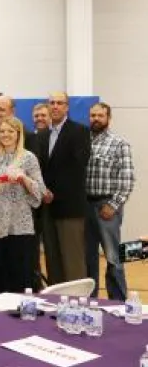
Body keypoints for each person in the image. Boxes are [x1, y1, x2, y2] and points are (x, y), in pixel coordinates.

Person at [0, 117, 44, 293]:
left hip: (19, 225)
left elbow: (40, 191)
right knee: (0, 274)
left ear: (18, 134)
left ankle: (22, 313)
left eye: (10, 131)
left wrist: (24, 179)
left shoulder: (29, 158)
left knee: (20, 275)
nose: (5, 135)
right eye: (2, 131)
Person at [38, 92, 91, 284]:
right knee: (53, 260)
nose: (55, 106)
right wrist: (43, 191)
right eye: (52, 103)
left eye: (60, 103)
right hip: (47, 206)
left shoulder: (80, 131)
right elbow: (40, 170)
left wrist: (54, 193)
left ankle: (77, 304)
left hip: (70, 207)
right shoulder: (42, 135)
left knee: (73, 262)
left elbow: (77, 168)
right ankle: (56, 303)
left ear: (67, 107)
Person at [85, 102, 135, 301]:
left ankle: (119, 300)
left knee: (114, 257)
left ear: (108, 118)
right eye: (93, 115)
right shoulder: (83, 141)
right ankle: (90, 298)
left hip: (107, 206)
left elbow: (128, 179)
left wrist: (113, 205)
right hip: (85, 205)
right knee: (88, 257)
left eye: (100, 115)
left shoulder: (119, 143)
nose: (96, 119)